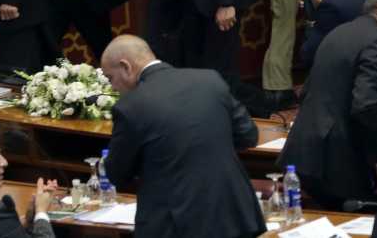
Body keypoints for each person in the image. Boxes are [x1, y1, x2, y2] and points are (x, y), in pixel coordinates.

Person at [101, 35, 264, 238]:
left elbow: (117, 173)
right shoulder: (210, 80)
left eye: (110, 78)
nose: (112, 87)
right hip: (233, 214)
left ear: (126, 66)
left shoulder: (130, 106)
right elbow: (249, 135)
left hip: (175, 225)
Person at [278, 0, 377, 209]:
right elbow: (366, 107)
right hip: (336, 162)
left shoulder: (341, 31)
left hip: (306, 153)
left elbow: (307, 91)